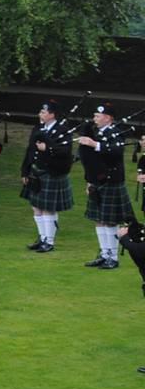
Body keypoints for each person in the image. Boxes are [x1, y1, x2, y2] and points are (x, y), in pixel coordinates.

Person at [77, 101, 131, 270]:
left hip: (111, 181)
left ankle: (113, 258)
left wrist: (94, 144)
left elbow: (116, 151)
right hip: (97, 180)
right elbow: (91, 161)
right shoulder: (97, 131)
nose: (95, 118)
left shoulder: (116, 132)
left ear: (107, 118)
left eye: (97, 116)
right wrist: (90, 181)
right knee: (99, 219)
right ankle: (104, 253)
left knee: (109, 221)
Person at [19, 99, 74, 253]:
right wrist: (25, 171)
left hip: (52, 173)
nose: (40, 114)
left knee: (48, 208)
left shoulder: (63, 130)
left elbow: (65, 152)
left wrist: (47, 147)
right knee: (36, 207)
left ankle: (49, 242)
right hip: (36, 172)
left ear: (52, 115)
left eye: (43, 112)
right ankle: (42, 238)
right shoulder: (38, 128)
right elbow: (30, 151)